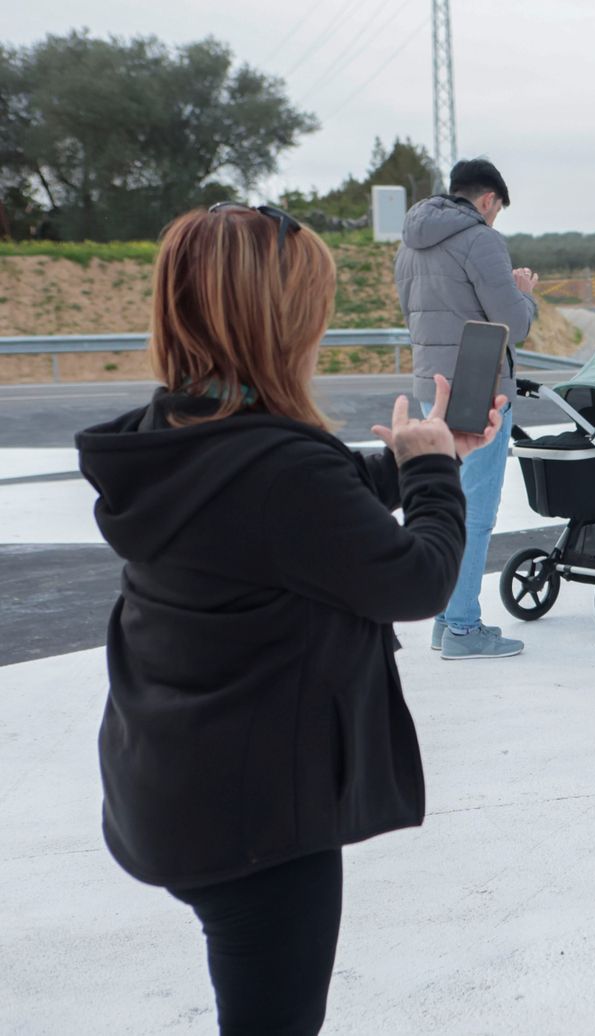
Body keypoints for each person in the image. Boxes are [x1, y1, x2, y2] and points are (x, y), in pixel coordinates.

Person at [75, 203, 506, 1032]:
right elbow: (416, 580)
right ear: (279, 321)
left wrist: (423, 456)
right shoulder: (274, 467)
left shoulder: (177, 432)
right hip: (256, 827)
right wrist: (432, 480)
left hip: (171, 787)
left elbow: (296, 513)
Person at [395, 157, 537, 659]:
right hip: (479, 391)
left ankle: (444, 617)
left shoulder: (411, 242)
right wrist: (525, 295)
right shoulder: (482, 239)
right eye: (497, 210)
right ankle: (461, 627)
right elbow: (514, 325)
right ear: (488, 200)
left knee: (444, 502)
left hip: (430, 386)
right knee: (475, 511)